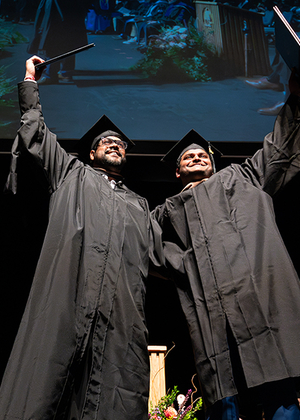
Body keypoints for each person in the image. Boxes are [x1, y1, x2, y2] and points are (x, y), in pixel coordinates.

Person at [0, 55, 163, 420]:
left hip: (120, 315)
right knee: (47, 385)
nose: (115, 145)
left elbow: (161, 256)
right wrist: (30, 82)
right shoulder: (72, 174)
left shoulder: (139, 205)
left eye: (120, 144)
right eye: (107, 142)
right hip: (67, 299)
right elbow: (37, 135)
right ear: (91, 152)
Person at [151, 72, 300, 420]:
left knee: (279, 392)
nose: (197, 157)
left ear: (213, 163)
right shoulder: (164, 213)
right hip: (212, 314)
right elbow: (146, 249)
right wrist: (184, 266)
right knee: (224, 401)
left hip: (258, 300)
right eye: (188, 156)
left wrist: (294, 99)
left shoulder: (240, 178)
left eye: (202, 154)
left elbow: (277, 150)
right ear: (177, 172)